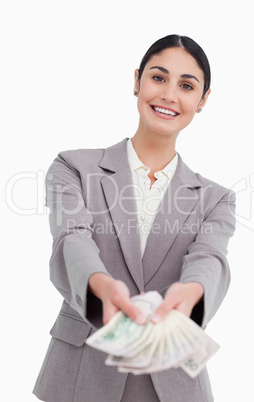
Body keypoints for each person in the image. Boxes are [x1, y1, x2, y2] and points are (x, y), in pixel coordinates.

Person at [33, 34, 236, 402]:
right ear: (137, 80)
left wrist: (192, 292)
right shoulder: (74, 167)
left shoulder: (216, 198)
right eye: (158, 78)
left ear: (202, 100)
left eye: (186, 85)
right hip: (81, 374)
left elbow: (210, 258)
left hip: (173, 381)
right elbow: (72, 238)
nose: (169, 95)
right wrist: (100, 284)